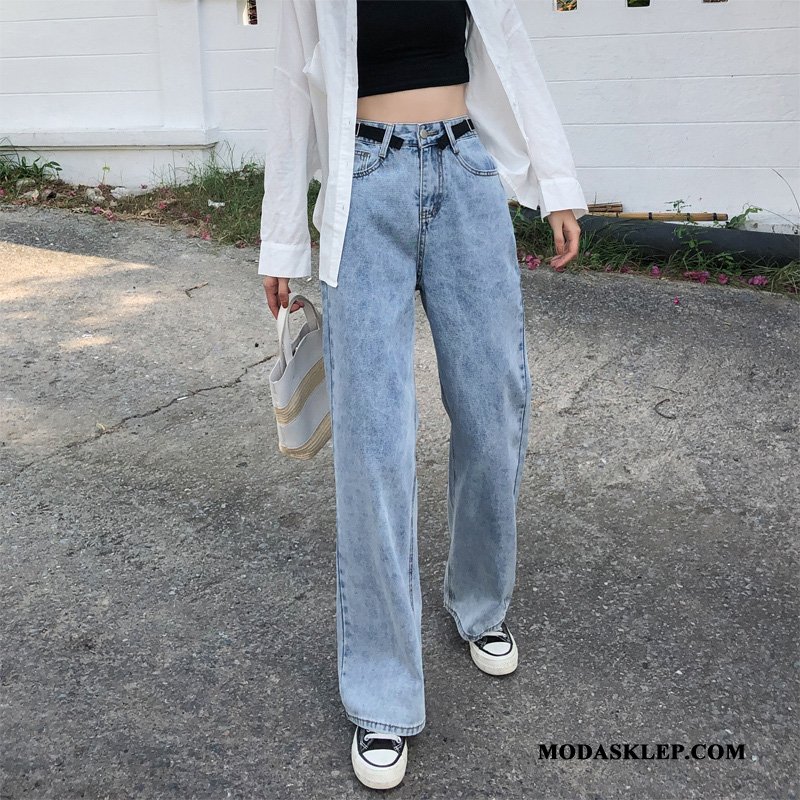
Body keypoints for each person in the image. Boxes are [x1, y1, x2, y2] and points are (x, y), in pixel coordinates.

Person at [259, 0, 588, 790]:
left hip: (466, 172)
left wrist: (557, 181)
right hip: (364, 186)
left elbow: (509, 47)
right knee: (374, 444)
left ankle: (479, 602)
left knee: (494, 409)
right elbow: (291, 86)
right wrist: (282, 239)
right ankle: (382, 693)